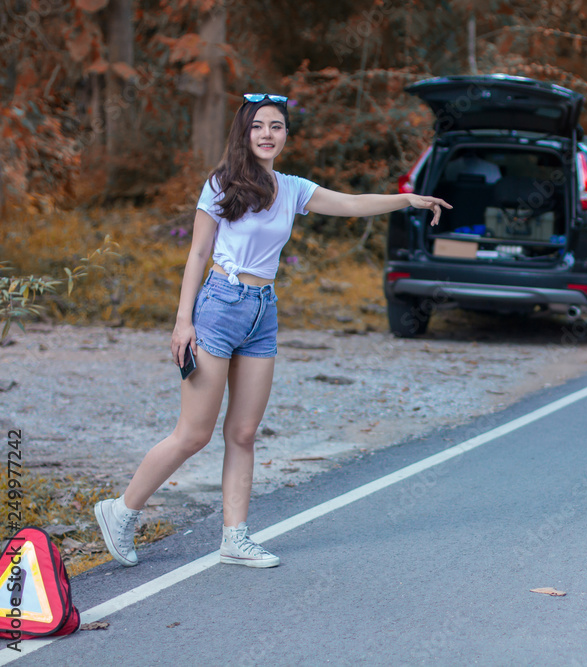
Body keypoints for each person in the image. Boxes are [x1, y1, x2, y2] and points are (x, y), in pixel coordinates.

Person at [94, 93, 451, 568]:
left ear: (285, 135)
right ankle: (121, 510)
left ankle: (234, 538)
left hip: (263, 312)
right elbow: (198, 254)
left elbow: (349, 203)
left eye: (277, 126)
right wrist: (183, 321)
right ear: (244, 132)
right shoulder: (221, 184)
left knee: (243, 432)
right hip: (220, 306)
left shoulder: (293, 188)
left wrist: (406, 197)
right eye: (259, 126)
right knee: (194, 433)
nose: (267, 134)